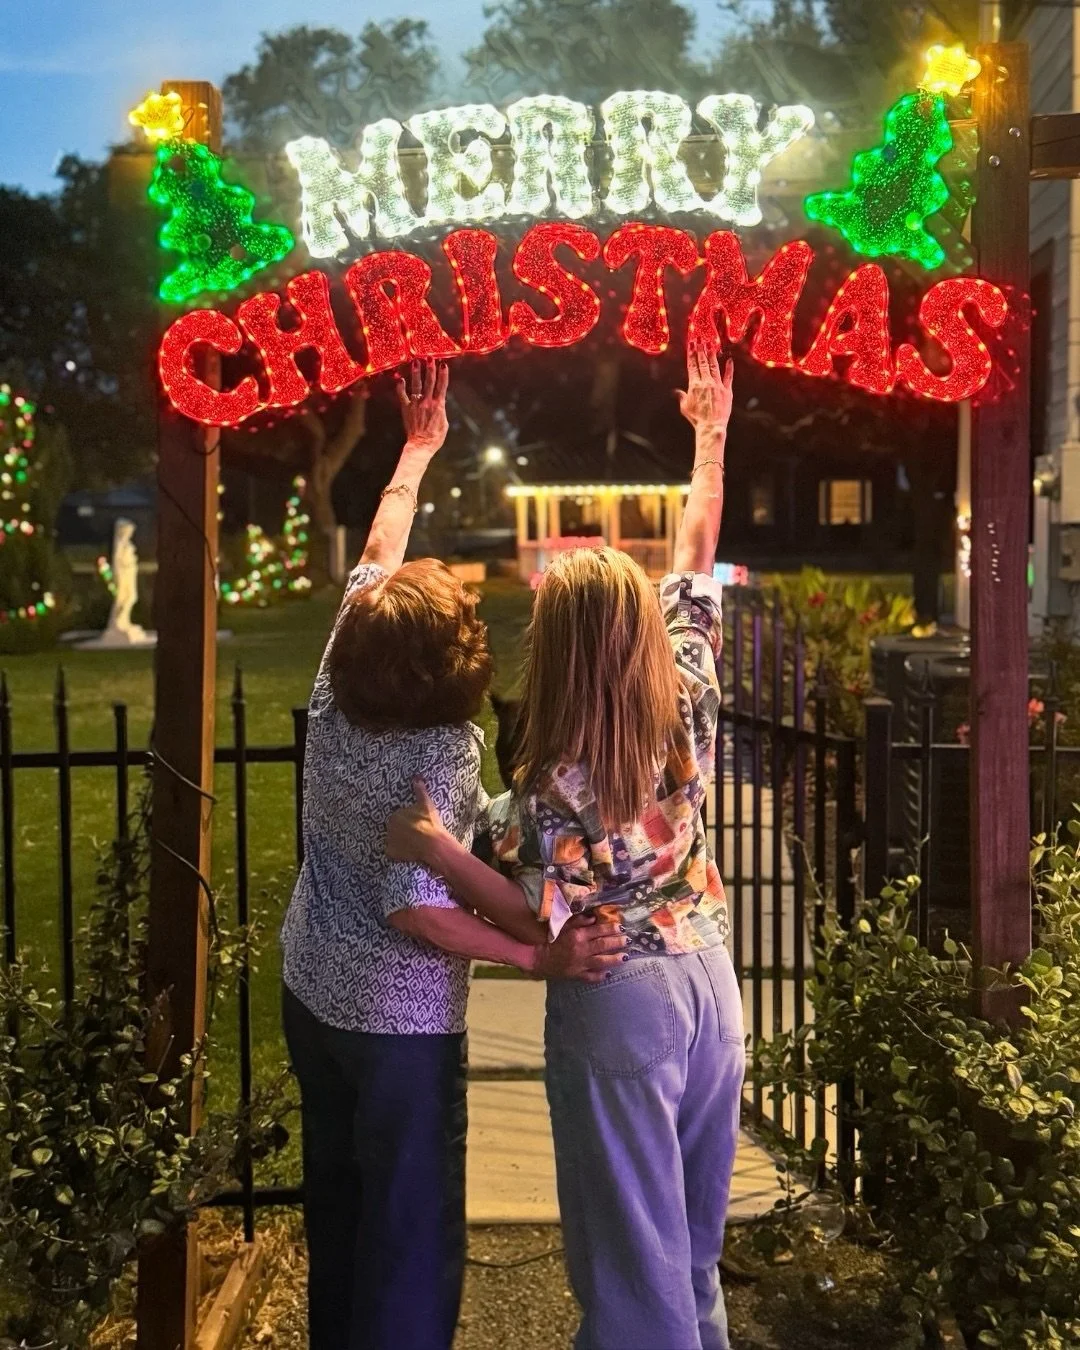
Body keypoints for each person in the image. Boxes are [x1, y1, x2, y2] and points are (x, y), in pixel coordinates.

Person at [387, 341, 743, 1350]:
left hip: (622, 1001)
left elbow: (523, 907)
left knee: (632, 1265)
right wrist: (708, 434)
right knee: (689, 1248)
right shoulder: (691, 686)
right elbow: (696, 552)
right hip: (710, 983)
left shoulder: (554, 789)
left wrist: (430, 841)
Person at [279, 358, 626, 1350]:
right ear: (453, 664)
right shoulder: (439, 744)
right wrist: (537, 957)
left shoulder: (342, 662)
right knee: (410, 1234)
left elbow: (382, 539)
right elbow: (417, 907)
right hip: (397, 1029)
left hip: (309, 991)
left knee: (338, 1208)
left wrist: (418, 447)